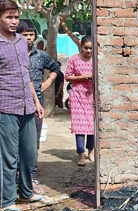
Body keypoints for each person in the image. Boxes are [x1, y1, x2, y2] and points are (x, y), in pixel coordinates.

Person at [0, 0, 52, 211]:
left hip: (27, 106)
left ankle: (27, 192)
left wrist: (36, 102)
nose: (13, 21)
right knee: (8, 158)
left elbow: (26, 74)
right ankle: (8, 201)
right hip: (5, 107)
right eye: (9, 17)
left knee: (29, 154)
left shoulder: (21, 40)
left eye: (16, 17)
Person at [17, 21, 63, 194]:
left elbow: (55, 67)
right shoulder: (13, 53)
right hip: (15, 102)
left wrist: (47, 82)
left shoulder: (40, 55)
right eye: (25, 35)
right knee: (15, 143)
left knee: (33, 142)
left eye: (31, 35)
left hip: (36, 104)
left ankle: (31, 176)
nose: (28, 38)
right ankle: (16, 176)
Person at [64, 35, 95, 166]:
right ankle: (81, 154)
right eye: (86, 48)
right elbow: (67, 77)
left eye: (91, 48)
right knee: (80, 127)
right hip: (77, 96)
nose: (88, 51)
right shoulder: (74, 59)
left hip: (92, 95)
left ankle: (91, 151)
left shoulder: (97, 60)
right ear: (81, 47)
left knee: (92, 126)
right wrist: (81, 77)